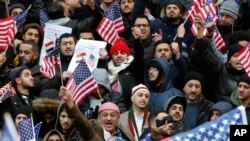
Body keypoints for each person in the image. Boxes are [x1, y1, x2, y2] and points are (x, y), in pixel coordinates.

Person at [192, 13, 246, 102]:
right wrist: (200, 33)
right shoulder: (220, 69)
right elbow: (203, 55)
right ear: (228, 60)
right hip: (223, 111)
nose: (240, 59)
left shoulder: (248, 73)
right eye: (235, 56)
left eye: (242, 56)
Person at [59, 86, 132, 140]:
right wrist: (70, 103)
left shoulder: (127, 134)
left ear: (118, 118)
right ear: (99, 118)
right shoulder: (93, 131)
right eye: (105, 115)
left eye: (112, 115)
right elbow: (83, 124)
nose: (109, 118)